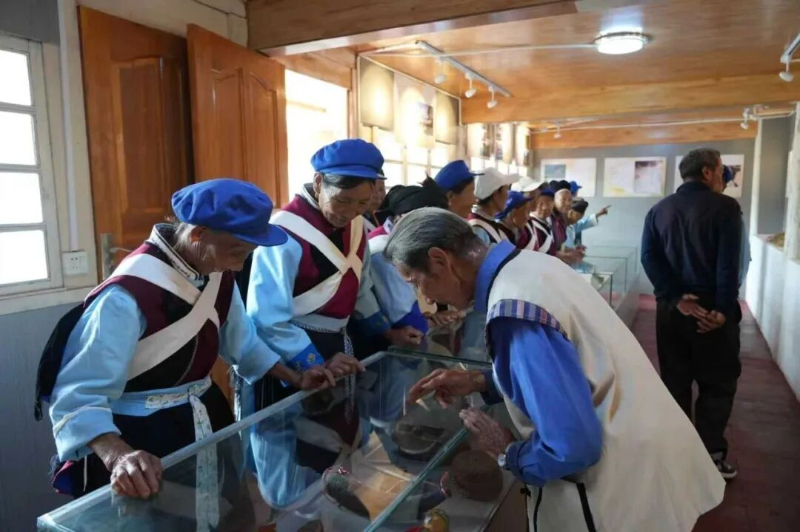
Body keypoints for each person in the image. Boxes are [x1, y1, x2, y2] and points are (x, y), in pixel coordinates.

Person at [388, 208, 724, 531]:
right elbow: (569, 365)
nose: (424, 298)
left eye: (414, 282)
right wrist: (481, 380)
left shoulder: (512, 311)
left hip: (617, 486)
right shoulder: (531, 265)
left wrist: (509, 453)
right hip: (649, 449)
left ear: (439, 260)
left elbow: (571, 447)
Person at [45, 179, 334, 501]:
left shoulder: (217, 271)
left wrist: (295, 377)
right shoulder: (125, 297)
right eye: (236, 251)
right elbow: (78, 394)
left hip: (207, 416)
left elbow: (243, 343)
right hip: (140, 437)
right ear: (198, 233)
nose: (240, 265)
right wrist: (119, 457)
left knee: (224, 512)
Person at [641, 147, 743, 478]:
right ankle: (710, 457)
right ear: (708, 172)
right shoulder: (725, 207)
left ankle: (677, 456)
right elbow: (728, 263)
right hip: (712, 311)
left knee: (675, 382)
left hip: (673, 312)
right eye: (721, 169)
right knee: (717, 385)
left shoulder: (658, 210)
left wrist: (673, 297)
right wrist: (722, 309)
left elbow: (649, 257)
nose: (723, 177)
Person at [367, 179, 451, 349]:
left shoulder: (401, 243)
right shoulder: (382, 250)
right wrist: (427, 325)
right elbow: (402, 314)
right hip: (386, 344)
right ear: (403, 218)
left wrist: (429, 317)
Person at [469, 167, 518, 244]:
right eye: (506, 190)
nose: (507, 196)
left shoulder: (488, 221)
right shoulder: (477, 229)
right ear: (495, 194)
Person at [528, 189, 558, 255]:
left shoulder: (549, 223)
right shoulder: (529, 225)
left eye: (548, 204)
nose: (544, 208)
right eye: (540, 204)